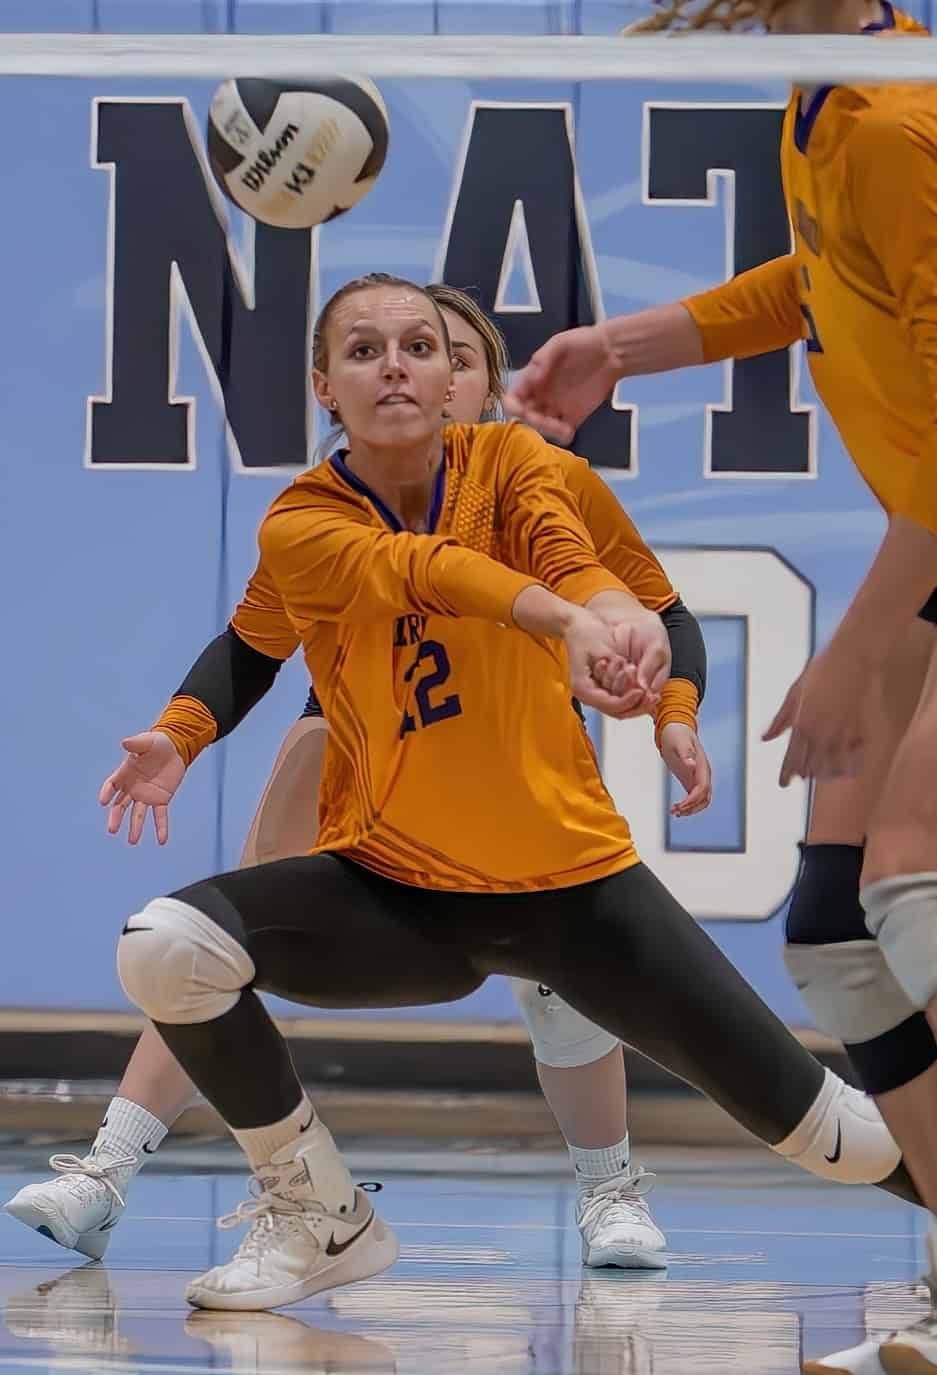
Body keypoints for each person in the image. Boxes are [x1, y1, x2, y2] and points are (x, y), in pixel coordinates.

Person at [97, 274, 925, 1315]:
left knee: (841, 1140)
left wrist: (652, 685)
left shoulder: (523, 463)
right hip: (396, 891)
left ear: (457, 378)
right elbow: (419, 575)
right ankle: (316, 1213)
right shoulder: (301, 524)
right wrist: (177, 736)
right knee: (168, 944)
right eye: (362, 350)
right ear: (324, 386)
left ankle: (618, 1185)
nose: (393, 363)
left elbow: (588, 570)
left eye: (417, 345)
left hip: (573, 888)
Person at [6, 285, 714, 1272]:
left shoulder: (532, 483)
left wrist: (673, 714)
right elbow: (252, 643)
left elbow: (663, 614)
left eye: (454, 355)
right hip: (363, 738)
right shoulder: (326, 509)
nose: (426, 371)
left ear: (487, 386)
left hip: (509, 751)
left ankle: (611, 1188)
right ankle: (110, 1170)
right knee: (218, 938)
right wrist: (179, 733)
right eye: (414, 351)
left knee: (564, 979)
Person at [505, 4, 937, 1369]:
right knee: (835, 933)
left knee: (909, 888)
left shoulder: (896, 119)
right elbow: (822, 281)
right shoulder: (835, 102)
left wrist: (865, 645)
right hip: (924, 528)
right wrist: (618, 346)